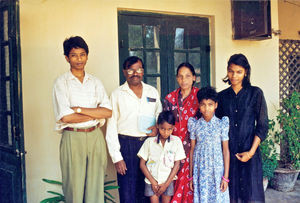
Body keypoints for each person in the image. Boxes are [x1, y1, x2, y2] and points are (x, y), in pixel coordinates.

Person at [52, 36, 112, 203]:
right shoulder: (61, 83)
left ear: (87, 55)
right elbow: (66, 117)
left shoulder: (95, 82)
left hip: (95, 136)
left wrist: (79, 109)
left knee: (96, 187)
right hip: (73, 137)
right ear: (66, 58)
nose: (79, 59)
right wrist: (95, 113)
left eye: (82, 54)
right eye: (74, 55)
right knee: (74, 189)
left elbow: (107, 112)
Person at [106, 56, 162, 203]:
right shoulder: (117, 94)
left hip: (149, 146)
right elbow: (111, 127)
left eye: (139, 69)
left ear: (143, 71)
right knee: (127, 193)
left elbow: (159, 115)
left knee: (148, 191)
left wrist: (157, 128)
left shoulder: (152, 92)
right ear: (125, 72)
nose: (135, 73)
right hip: (126, 146)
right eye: (131, 70)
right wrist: (117, 158)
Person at [216, 53, 268, 203]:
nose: (234, 75)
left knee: (251, 197)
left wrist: (250, 153)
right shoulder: (222, 97)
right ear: (227, 71)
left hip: (250, 154)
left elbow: (263, 125)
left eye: (239, 72)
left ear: (246, 72)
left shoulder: (255, 93)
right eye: (231, 71)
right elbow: (217, 127)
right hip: (229, 156)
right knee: (230, 197)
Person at [163, 62, 199, 202]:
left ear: (194, 78)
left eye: (188, 76)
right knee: (172, 185)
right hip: (173, 149)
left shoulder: (199, 97)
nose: (184, 80)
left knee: (192, 187)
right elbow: (165, 123)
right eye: (180, 76)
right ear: (177, 78)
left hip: (194, 148)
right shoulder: (170, 99)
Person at [188, 86, 230, 203]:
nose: (207, 108)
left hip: (217, 170)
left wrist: (225, 177)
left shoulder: (222, 124)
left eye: (210, 104)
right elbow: (192, 150)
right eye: (203, 105)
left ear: (216, 105)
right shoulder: (194, 124)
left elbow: (225, 151)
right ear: (199, 106)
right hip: (200, 169)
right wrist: (191, 177)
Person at [138, 111, 186, 203]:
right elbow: (142, 164)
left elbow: (177, 165)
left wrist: (166, 184)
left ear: (173, 127)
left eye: (169, 129)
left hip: (167, 181)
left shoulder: (176, 142)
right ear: (157, 126)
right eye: (162, 129)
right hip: (151, 181)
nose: (166, 132)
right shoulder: (149, 142)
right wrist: (153, 182)